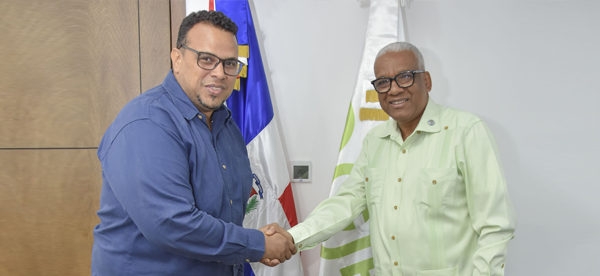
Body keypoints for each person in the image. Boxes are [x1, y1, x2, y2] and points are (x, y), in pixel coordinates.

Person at [268, 42, 517, 275]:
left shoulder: (466, 132)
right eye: (383, 82)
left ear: (427, 80)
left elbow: (496, 226)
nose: (394, 89)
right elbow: (345, 203)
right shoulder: (375, 141)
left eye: (405, 77)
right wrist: (292, 237)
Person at [91, 10, 295, 276]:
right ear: (177, 59)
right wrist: (257, 245)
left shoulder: (226, 125)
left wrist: (253, 243)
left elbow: (221, 215)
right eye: (207, 59)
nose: (220, 73)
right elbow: (172, 225)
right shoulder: (147, 123)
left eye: (230, 63)